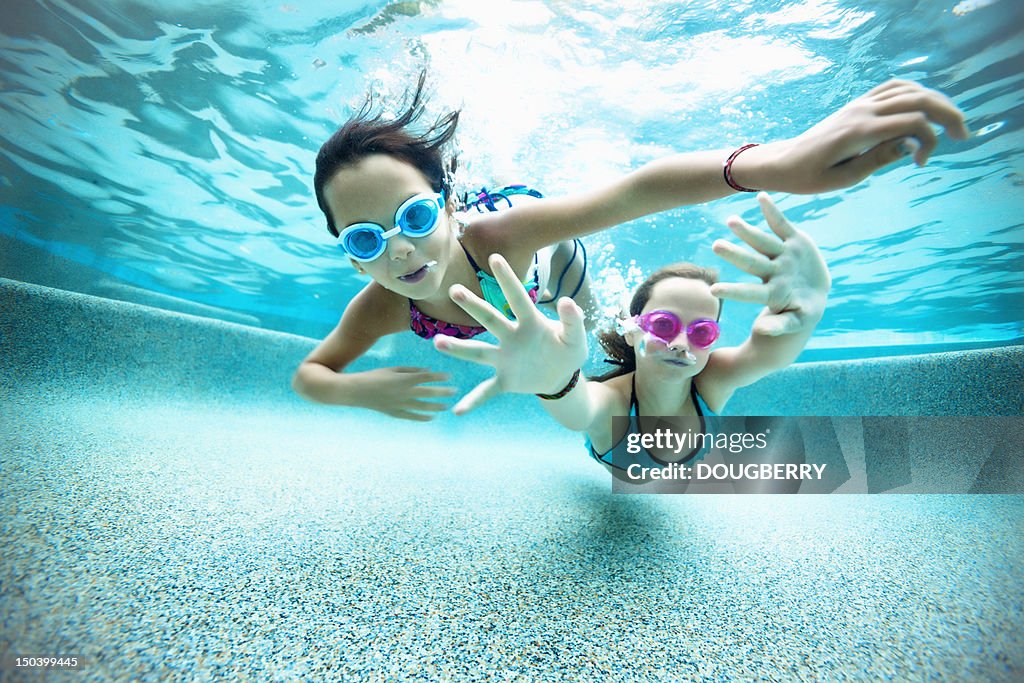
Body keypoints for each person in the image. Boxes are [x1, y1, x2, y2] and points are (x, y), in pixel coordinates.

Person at [292, 73, 967, 421]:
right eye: (366, 237)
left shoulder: (500, 234)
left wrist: (775, 162)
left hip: (560, 276)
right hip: (522, 319)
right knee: (566, 360)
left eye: (413, 216)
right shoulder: (379, 305)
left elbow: (633, 193)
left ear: (445, 202)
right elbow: (310, 373)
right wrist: (361, 391)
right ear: (350, 254)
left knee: (611, 337)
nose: (400, 250)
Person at [433, 193, 830, 474]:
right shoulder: (614, 405)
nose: (680, 344)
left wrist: (809, 306)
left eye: (702, 332)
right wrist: (555, 380)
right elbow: (580, 408)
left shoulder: (712, 378)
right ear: (635, 330)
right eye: (663, 325)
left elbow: (769, 352)